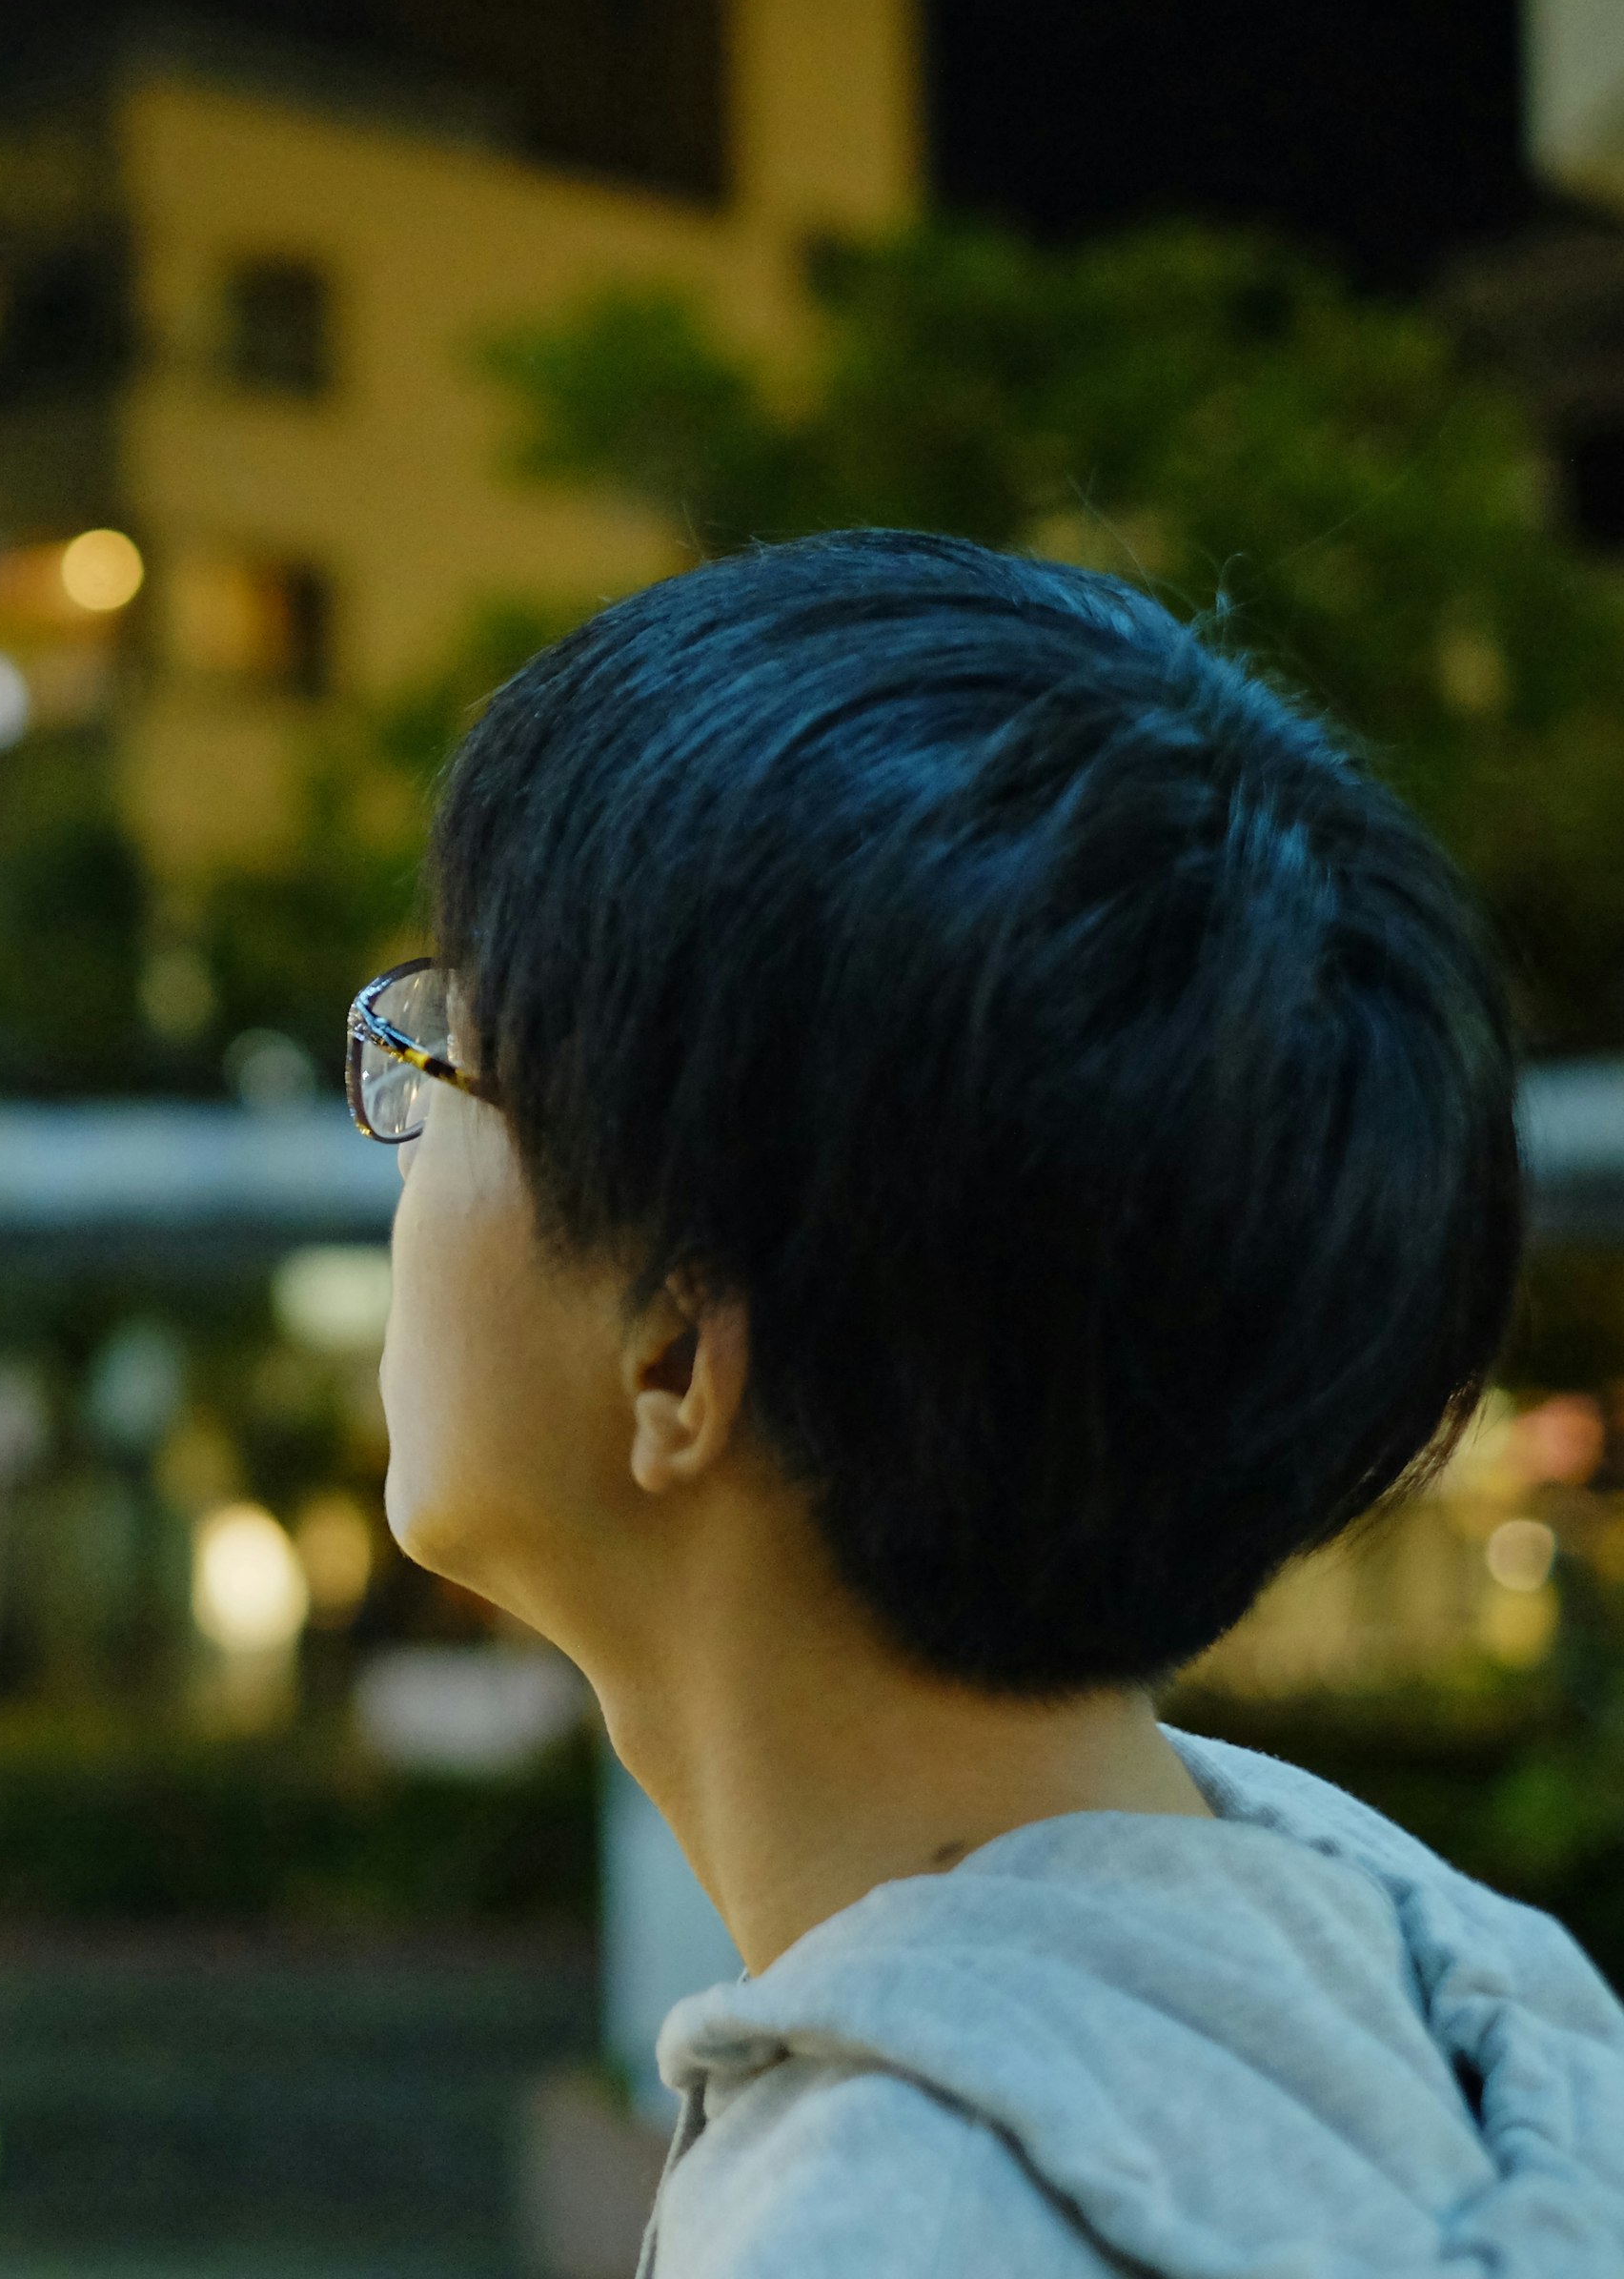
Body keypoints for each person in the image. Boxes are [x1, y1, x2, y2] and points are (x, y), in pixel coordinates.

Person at [356, 532, 1624, 2275]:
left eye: (438, 1054)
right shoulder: (1420, 2006)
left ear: (673, 1353)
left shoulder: (899, 2228)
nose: (398, 1154)